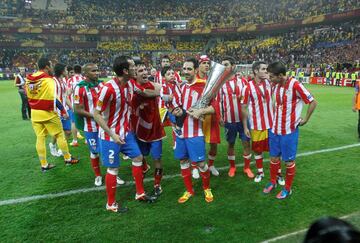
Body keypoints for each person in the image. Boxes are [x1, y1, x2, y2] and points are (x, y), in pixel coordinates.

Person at [93, 56, 156, 214]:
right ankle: (111, 203)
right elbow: (96, 113)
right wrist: (112, 134)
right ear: (125, 70)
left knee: (138, 158)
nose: (136, 68)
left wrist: (162, 93)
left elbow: (144, 92)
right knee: (113, 168)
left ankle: (140, 193)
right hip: (109, 135)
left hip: (126, 133)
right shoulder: (108, 88)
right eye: (134, 66)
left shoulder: (130, 85)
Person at [263, 61, 317, 199]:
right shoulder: (275, 85)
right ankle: (273, 182)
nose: (270, 79)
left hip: (289, 131)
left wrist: (305, 119)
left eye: (272, 76)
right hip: (275, 129)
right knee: (274, 158)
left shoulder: (295, 85)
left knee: (288, 162)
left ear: (280, 75)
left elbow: (313, 102)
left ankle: (287, 188)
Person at [173, 57, 215, 203]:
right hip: (180, 133)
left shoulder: (204, 86)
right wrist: (176, 111)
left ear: (196, 70)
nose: (186, 72)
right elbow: (178, 107)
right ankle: (189, 190)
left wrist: (201, 111)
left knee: (202, 164)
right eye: (184, 69)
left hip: (195, 133)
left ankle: (206, 188)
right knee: (183, 161)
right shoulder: (182, 86)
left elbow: (215, 107)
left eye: (189, 69)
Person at [25, 57, 79, 171]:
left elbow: (29, 95)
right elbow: (54, 97)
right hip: (48, 112)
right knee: (60, 135)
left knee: (40, 138)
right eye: (50, 65)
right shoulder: (48, 80)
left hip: (35, 113)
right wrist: (63, 110)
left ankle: (44, 165)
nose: (51, 68)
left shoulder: (29, 79)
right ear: (47, 67)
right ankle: (67, 158)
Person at [241, 61, 282, 183]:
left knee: (275, 150)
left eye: (266, 69)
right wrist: (245, 127)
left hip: (272, 124)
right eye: (263, 69)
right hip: (256, 125)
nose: (266, 71)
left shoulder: (270, 83)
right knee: (258, 150)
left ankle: (278, 174)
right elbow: (243, 108)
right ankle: (260, 172)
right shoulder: (247, 87)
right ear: (255, 71)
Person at [132, 61, 166, 196]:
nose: (145, 72)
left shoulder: (152, 85)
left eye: (145, 69)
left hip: (156, 130)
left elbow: (160, 90)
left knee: (157, 159)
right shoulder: (130, 87)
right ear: (134, 75)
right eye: (140, 71)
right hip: (139, 130)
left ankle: (157, 184)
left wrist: (143, 92)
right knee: (139, 157)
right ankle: (144, 170)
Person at [219, 56, 253, 178]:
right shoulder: (220, 84)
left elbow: (249, 98)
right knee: (231, 144)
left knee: (246, 143)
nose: (224, 67)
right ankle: (232, 167)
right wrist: (220, 117)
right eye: (222, 65)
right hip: (229, 120)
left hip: (243, 120)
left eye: (226, 64)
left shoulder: (243, 81)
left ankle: (247, 168)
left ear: (233, 66)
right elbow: (218, 102)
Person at [195, 55, 221, 178]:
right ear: (198, 65)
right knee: (196, 142)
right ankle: (195, 166)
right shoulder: (192, 80)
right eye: (204, 63)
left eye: (208, 63)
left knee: (213, 144)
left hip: (211, 117)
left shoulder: (213, 80)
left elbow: (216, 99)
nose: (206, 65)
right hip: (196, 118)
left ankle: (211, 165)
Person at [49, 63, 72, 157]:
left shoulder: (63, 81)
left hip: (64, 110)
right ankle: (54, 146)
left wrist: (71, 107)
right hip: (56, 111)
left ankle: (59, 148)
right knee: (58, 132)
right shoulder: (53, 81)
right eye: (66, 70)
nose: (67, 71)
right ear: (62, 71)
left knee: (68, 132)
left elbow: (65, 96)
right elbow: (53, 97)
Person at [67, 64, 84, 147]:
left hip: (74, 104)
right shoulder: (84, 79)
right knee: (86, 121)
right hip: (84, 104)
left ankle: (75, 141)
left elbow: (68, 92)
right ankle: (88, 140)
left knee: (73, 122)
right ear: (81, 70)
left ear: (74, 70)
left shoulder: (70, 80)